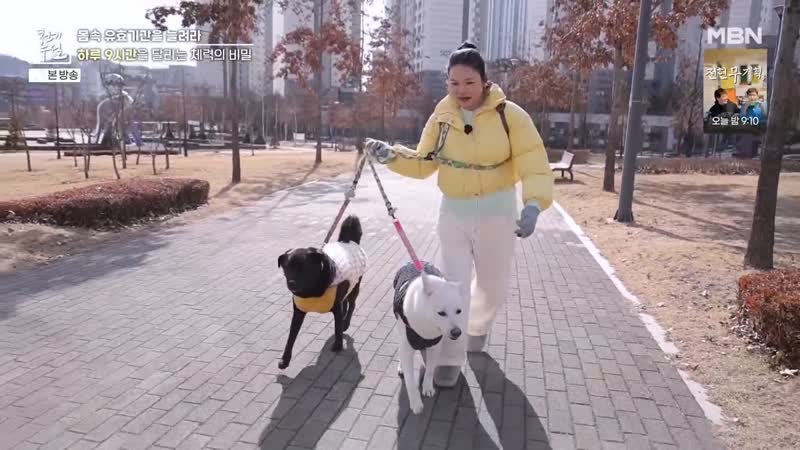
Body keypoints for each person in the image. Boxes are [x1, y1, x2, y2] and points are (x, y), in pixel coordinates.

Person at [365, 41, 553, 387]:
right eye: (453, 83)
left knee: (492, 286)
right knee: (453, 285)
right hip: (454, 213)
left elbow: (534, 162)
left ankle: (478, 326)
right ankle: (449, 359)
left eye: (469, 82)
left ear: (484, 81)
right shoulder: (442, 117)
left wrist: (534, 204)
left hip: (498, 213)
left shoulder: (510, 115)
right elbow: (424, 162)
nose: (461, 90)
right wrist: (391, 155)